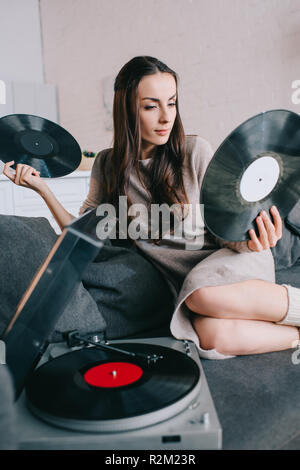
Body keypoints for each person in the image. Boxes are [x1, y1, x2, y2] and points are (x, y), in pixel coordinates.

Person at [3, 56, 300, 360]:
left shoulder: (195, 151)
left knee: (203, 297)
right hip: (186, 289)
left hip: (229, 266)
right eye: (151, 106)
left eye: (171, 103)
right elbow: (84, 230)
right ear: (127, 109)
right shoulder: (107, 165)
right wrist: (42, 190)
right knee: (212, 339)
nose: (166, 117)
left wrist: (254, 241)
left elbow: (226, 231)